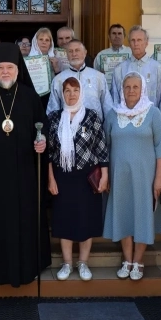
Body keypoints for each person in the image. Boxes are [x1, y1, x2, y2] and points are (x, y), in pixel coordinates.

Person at [0, 43, 52, 286]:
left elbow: (42, 125)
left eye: (10, 67)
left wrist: (42, 140)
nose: (5, 72)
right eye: (1, 67)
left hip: (24, 171)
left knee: (25, 218)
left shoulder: (29, 95)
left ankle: (27, 267)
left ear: (17, 69)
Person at [103, 72, 161, 280]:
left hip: (145, 176)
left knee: (142, 215)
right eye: (127, 87)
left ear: (143, 90)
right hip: (119, 176)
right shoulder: (113, 114)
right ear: (122, 90)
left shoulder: (153, 113)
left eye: (135, 87)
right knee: (123, 215)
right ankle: (127, 260)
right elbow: (105, 147)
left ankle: (139, 262)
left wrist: (159, 178)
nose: (131, 91)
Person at [48, 77, 109, 281]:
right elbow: (48, 153)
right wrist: (51, 179)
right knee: (64, 220)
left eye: (75, 90)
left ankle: (83, 263)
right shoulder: (55, 118)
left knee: (86, 220)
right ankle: (67, 263)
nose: (71, 94)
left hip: (87, 178)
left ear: (81, 92)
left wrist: (105, 176)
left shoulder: (91, 117)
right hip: (62, 176)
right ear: (62, 94)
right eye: (67, 90)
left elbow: (101, 149)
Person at [111, 26, 161, 128]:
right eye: (133, 40)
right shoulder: (120, 69)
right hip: (125, 125)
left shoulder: (158, 69)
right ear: (129, 43)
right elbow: (115, 100)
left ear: (146, 42)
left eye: (139, 40)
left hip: (151, 124)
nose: (136, 44)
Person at [46, 39, 111, 117]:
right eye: (70, 51)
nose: (74, 54)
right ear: (66, 54)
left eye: (77, 50)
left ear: (85, 53)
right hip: (67, 127)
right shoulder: (58, 79)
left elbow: (108, 106)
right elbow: (53, 110)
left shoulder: (99, 77)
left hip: (94, 127)